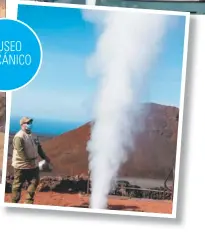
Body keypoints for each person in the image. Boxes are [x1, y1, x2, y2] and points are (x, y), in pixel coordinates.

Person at [11, 117, 51, 204]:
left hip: (33, 164)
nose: (30, 124)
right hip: (21, 166)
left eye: (30, 122)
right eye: (27, 123)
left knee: (34, 181)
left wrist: (45, 157)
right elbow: (20, 151)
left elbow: (39, 148)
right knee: (18, 185)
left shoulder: (33, 135)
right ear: (22, 125)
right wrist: (27, 162)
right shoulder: (19, 136)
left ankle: (28, 201)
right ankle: (14, 202)